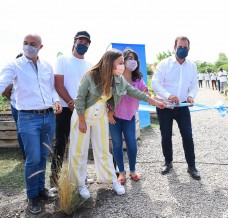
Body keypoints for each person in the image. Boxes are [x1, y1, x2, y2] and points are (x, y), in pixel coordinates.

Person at [68, 49, 165, 200]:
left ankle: (111, 180)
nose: (122, 66)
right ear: (110, 62)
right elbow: (79, 99)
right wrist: (81, 120)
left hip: (100, 117)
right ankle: (80, 184)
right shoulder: (91, 76)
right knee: (79, 151)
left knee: (104, 150)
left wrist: (155, 102)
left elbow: (134, 91)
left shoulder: (118, 79)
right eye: (120, 63)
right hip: (83, 116)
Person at [0, 34, 63, 215]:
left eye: (33, 44)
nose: (28, 47)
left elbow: (51, 88)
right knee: (33, 158)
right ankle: (32, 196)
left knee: (43, 155)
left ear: (40, 47)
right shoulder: (14, 65)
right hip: (28, 118)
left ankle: (41, 190)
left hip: (48, 117)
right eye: (25, 43)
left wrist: (56, 101)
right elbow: (2, 83)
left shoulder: (47, 66)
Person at [152, 36, 201, 180]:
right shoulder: (164, 64)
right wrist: (168, 96)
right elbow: (155, 83)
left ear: (189, 49)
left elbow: (193, 84)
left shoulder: (192, 66)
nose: (182, 50)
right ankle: (168, 162)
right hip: (165, 106)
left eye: (185, 48)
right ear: (174, 48)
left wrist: (191, 96)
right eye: (180, 47)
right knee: (166, 135)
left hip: (183, 106)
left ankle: (191, 166)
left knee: (187, 135)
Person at [51, 31, 93, 186]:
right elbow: (58, 84)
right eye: (80, 41)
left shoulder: (89, 65)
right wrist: (70, 101)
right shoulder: (62, 60)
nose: (83, 44)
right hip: (65, 108)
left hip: (82, 110)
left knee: (81, 144)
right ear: (74, 42)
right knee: (60, 144)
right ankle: (54, 181)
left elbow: (90, 88)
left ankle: (79, 176)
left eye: (86, 42)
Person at [108, 48, 150, 185]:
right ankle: (121, 172)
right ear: (123, 60)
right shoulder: (114, 77)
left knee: (132, 143)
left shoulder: (138, 79)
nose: (132, 61)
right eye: (129, 58)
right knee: (117, 144)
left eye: (134, 58)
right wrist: (109, 111)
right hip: (114, 117)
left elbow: (145, 92)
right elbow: (106, 96)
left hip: (130, 116)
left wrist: (151, 96)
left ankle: (132, 170)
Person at [1, 53, 26, 160]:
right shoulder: (15, 71)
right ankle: (25, 154)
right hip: (17, 107)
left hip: (24, 106)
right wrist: (11, 98)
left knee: (22, 129)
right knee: (21, 130)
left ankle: (27, 153)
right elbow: (6, 89)